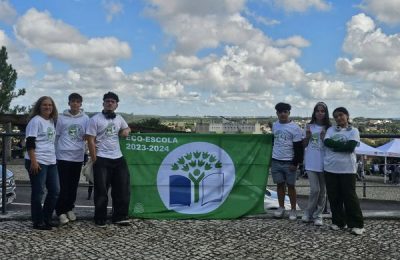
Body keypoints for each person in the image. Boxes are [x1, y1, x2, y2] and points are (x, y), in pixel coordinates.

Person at [86, 91, 131, 227]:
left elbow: (127, 128)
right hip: (102, 158)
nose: (110, 103)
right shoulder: (95, 119)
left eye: (113, 101)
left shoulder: (119, 118)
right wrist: (95, 160)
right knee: (101, 190)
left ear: (116, 105)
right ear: (103, 103)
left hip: (118, 158)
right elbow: (90, 140)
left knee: (122, 189)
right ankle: (100, 218)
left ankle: (120, 216)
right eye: (107, 101)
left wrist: (126, 131)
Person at [323, 107, 365, 235]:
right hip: (330, 168)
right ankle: (338, 222)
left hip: (347, 169)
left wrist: (336, 146)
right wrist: (343, 146)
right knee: (334, 197)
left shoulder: (354, 131)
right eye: (336, 116)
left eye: (341, 115)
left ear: (347, 116)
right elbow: (326, 142)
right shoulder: (330, 130)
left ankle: (357, 224)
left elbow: (351, 146)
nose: (338, 118)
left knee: (350, 197)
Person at [25, 96, 60, 230]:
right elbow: (30, 143)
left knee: (55, 191)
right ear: (39, 106)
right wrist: (34, 161)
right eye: (45, 105)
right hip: (37, 161)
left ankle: (47, 218)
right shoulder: (35, 121)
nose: (48, 107)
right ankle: (38, 221)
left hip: (51, 161)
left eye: (50, 105)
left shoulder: (51, 121)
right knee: (38, 192)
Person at [55, 93, 89, 225]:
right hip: (63, 156)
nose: (75, 104)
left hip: (77, 156)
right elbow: (56, 136)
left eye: (77, 102)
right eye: (72, 101)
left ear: (81, 104)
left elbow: (88, 135)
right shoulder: (61, 118)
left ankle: (70, 208)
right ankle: (60, 211)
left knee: (73, 186)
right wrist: (55, 153)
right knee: (63, 186)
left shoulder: (85, 118)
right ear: (69, 103)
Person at [271, 102, 303, 220]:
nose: (283, 114)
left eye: (285, 112)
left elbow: (299, 147)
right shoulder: (275, 125)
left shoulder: (295, 128)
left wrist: (295, 163)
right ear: (277, 113)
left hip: (289, 162)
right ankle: (281, 207)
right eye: (280, 112)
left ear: (289, 113)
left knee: (291, 186)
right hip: (276, 160)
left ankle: (293, 209)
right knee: (279, 185)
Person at [301, 102, 331, 226]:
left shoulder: (330, 128)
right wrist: (307, 136)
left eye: (322, 111)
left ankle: (318, 215)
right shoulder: (309, 126)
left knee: (323, 191)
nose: (320, 113)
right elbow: (304, 145)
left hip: (325, 163)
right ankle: (308, 212)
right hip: (311, 162)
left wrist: (324, 138)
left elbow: (331, 147)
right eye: (318, 111)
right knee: (315, 190)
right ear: (314, 112)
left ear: (326, 113)